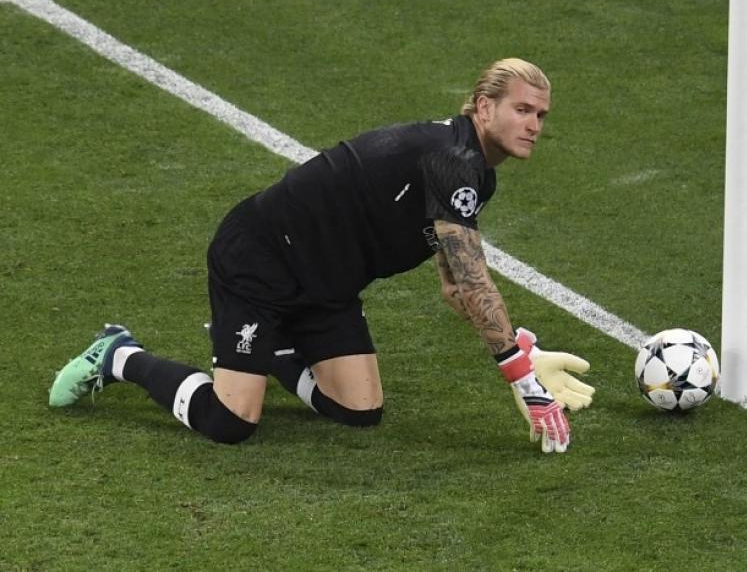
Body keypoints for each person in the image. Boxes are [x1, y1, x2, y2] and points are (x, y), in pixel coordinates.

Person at [48, 58, 595, 453]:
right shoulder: (451, 160)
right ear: (483, 106)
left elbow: (456, 285)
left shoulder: (474, 175)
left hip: (327, 287)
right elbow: (475, 285)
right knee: (232, 420)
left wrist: (522, 347)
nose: (534, 125)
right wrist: (523, 380)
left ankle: (274, 345)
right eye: (522, 109)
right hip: (260, 262)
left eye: (541, 115)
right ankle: (119, 355)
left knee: (359, 411)